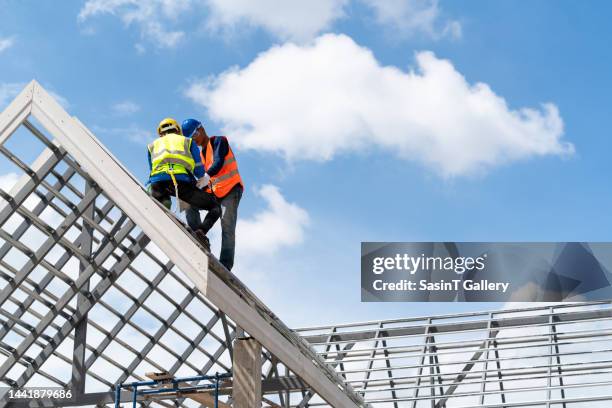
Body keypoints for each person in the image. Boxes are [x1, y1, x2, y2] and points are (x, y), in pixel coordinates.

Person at [147, 118, 221, 250]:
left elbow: (151, 170)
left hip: (157, 183)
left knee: (163, 201)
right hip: (181, 183)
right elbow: (199, 169)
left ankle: (164, 211)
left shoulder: (152, 145)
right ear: (178, 130)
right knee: (215, 207)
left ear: (160, 132)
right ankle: (201, 232)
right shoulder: (187, 141)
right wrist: (201, 179)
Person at [182, 118, 243, 270]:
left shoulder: (218, 141)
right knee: (188, 202)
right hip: (214, 193)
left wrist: (206, 177)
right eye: (190, 138)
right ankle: (200, 236)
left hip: (230, 190)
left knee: (227, 225)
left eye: (194, 135)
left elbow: (218, 161)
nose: (193, 140)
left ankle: (225, 266)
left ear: (201, 129)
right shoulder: (199, 155)